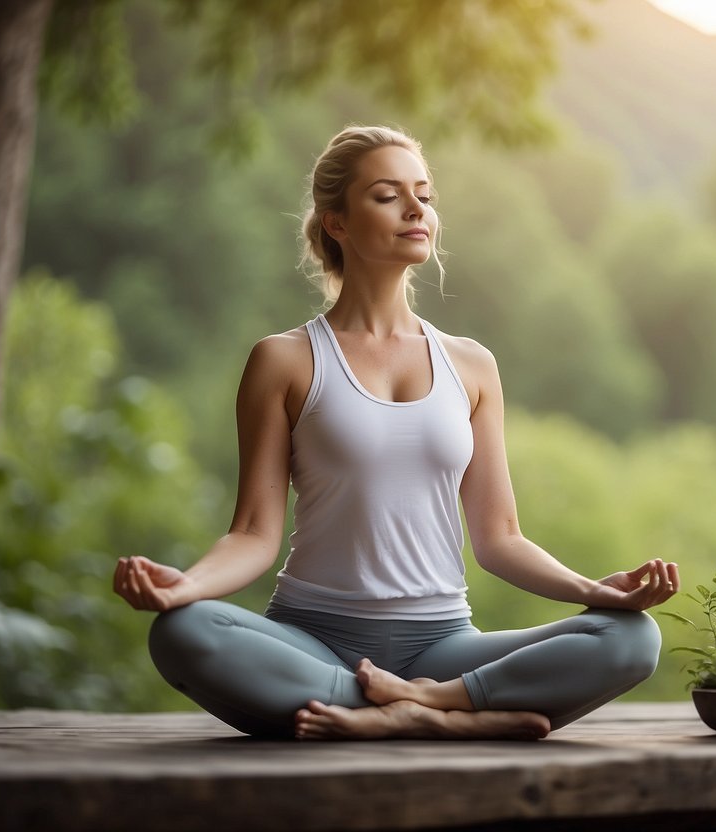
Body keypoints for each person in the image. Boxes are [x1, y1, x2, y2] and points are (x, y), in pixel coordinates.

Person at [112, 125, 681, 741]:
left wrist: (594, 590)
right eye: (387, 195)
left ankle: (418, 705)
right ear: (337, 223)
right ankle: (450, 718)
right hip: (313, 641)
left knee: (629, 637)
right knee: (181, 632)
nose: (416, 209)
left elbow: (500, 538)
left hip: (442, 649)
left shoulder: (471, 365)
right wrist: (185, 587)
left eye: (425, 195)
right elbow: (253, 533)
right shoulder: (284, 361)